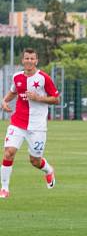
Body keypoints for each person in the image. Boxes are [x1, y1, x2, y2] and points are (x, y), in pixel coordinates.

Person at [1, 48, 60, 198]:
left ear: (36, 61)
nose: (29, 61)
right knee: (8, 153)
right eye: (26, 58)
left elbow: (55, 99)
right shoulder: (17, 77)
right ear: (22, 60)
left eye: (32, 59)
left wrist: (38, 98)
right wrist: (5, 101)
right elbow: (14, 91)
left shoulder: (43, 78)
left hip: (37, 126)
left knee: (34, 161)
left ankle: (48, 170)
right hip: (18, 122)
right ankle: (5, 188)